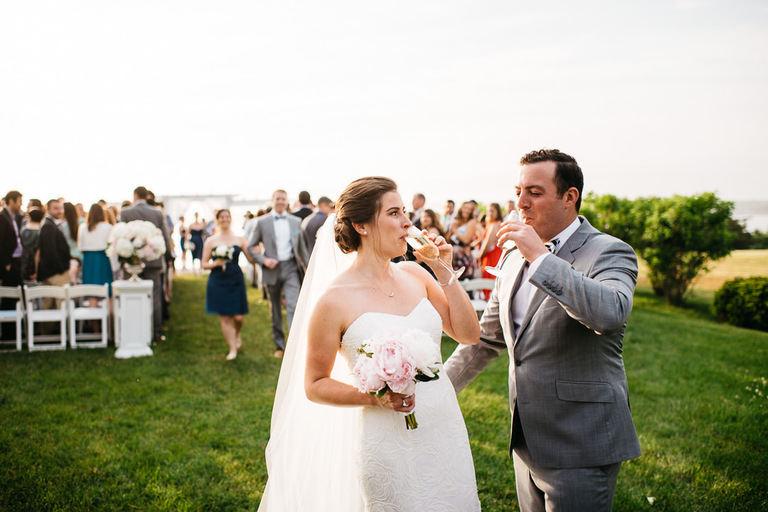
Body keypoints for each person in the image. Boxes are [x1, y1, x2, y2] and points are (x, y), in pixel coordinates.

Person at [258, 176, 481, 511]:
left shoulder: (418, 276)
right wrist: (376, 399)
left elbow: (468, 334)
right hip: (385, 440)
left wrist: (441, 268)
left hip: (442, 425)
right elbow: (315, 384)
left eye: (405, 211)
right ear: (360, 225)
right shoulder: (332, 301)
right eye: (394, 213)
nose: (408, 222)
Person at [445, 149, 641, 512]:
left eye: (534, 192)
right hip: (526, 439)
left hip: (581, 440)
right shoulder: (513, 255)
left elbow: (609, 314)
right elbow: (486, 338)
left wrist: (542, 259)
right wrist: (436, 390)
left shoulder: (610, 252)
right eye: (518, 190)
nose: (520, 202)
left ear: (570, 197)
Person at [248, 190, 308, 357]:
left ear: (287, 201)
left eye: (283, 199)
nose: (281, 201)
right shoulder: (261, 222)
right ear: (272, 201)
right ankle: (279, 346)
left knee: (293, 306)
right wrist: (263, 260)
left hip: (291, 268)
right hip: (271, 269)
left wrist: (308, 268)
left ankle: (294, 346)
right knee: (275, 309)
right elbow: (250, 246)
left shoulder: (296, 221)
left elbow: (302, 249)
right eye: (278, 199)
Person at [119, 186, 173, 343]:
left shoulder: (125, 213)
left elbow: (121, 235)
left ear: (135, 195)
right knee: (155, 297)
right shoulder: (156, 213)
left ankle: (133, 331)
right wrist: (167, 253)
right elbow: (165, 236)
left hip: (132, 261)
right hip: (153, 260)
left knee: (132, 294)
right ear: (146, 195)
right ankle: (156, 332)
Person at [201, 209, 255, 360]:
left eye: (227, 217)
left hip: (235, 279)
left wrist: (257, 253)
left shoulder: (240, 239)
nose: (225, 219)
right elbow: (204, 264)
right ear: (217, 220)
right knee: (225, 317)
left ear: (231, 219)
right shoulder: (211, 241)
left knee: (239, 318)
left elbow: (251, 259)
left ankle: (236, 333)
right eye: (222, 217)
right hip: (218, 280)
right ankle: (232, 349)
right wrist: (216, 263)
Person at [37, 199, 71, 310]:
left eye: (61, 208)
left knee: (49, 304)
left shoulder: (52, 224)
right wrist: (61, 270)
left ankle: (44, 328)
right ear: (48, 209)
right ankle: (63, 327)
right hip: (55, 272)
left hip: (53, 271)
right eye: (56, 209)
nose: (59, 211)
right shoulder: (48, 226)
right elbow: (50, 251)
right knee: (62, 304)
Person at [78, 203, 114, 301]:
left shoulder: (83, 228)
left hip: (89, 261)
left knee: (91, 292)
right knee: (107, 292)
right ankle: (109, 316)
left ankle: (93, 315)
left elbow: (80, 247)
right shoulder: (108, 227)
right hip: (103, 260)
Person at [1, 191, 24, 340]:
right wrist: (6, 263)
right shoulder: (2, 218)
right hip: (8, 265)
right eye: (19, 201)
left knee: (17, 297)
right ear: (11, 201)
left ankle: (15, 332)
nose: (21, 204)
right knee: (9, 299)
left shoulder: (13, 217)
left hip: (15, 262)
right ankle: (9, 334)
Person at [446, 201, 479, 280]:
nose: (467, 210)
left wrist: (455, 230)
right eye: (465, 208)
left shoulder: (471, 222)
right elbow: (447, 239)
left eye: (469, 209)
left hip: (463, 258)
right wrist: (452, 228)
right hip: (453, 256)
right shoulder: (457, 221)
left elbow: (466, 240)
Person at [478, 202, 504, 297]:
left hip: (492, 257)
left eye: (492, 211)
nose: (490, 213)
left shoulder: (494, 225)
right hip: (496, 255)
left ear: (498, 212)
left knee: (489, 285)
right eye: (488, 211)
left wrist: (480, 257)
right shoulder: (498, 224)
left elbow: (487, 244)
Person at [21, 208, 44, 282]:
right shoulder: (40, 232)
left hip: (22, 262)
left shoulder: (23, 230)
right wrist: (36, 271)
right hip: (33, 264)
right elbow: (38, 253)